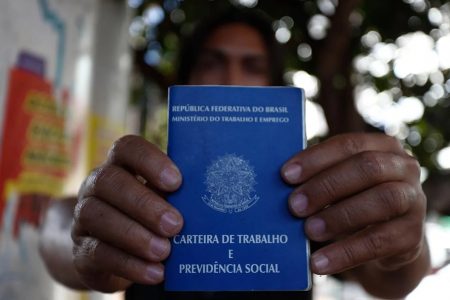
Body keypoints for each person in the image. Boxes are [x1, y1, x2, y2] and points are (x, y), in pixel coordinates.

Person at [39, 9, 430, 300]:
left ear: (276, 89)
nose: (231, 81)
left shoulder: (305, 187)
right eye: (213, 64)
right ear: (187, 81)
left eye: (252, 67)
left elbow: (390, 281)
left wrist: (408, 245)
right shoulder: (150, 180)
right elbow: (57, 225)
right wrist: (77, 240)